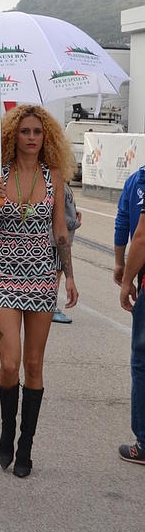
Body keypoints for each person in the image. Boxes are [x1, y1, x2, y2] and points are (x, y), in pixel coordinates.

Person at [0, 105, 78, 478]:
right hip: (4, 275)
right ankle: (6, 431)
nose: (32, 138)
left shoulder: (55, 177)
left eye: (38, 132)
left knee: (34, 364)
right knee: (10, 364)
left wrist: (69, 275)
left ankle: (25, 445)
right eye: (25, 132)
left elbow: (61, 231)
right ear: (12, 136)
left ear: (46, 137)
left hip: (42, 278)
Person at [114, 164, 145, 464]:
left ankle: (143, 444)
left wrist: (126, 280)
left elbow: (141, 236)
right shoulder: (136, 179)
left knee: (142, 361)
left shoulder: (138, 180)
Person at [51, 181, 82, 323]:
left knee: (56, 272)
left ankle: (50, 306)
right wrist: (75, 222)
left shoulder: (64, 184)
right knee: (56, 273)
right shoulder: (60, 186)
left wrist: (74, 214)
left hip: (57, 239)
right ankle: (51, 307)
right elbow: (59, 217)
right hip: (56, 241)